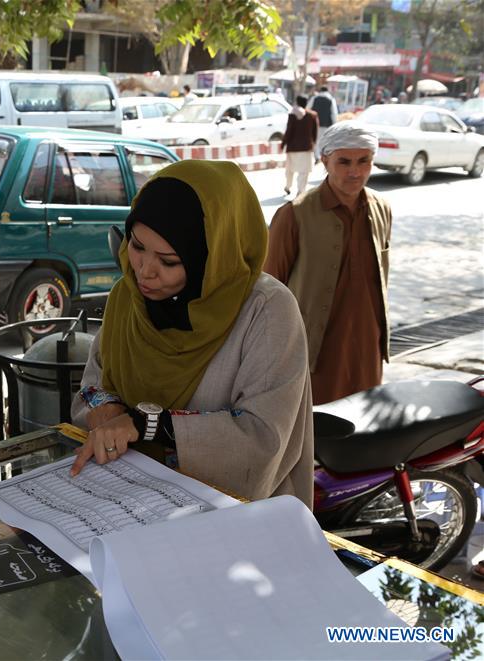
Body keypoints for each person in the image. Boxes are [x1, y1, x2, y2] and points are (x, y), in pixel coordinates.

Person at [69, 161, 313, 507]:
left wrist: (147, 425)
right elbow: (92, 387)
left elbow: (262, 438)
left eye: (168, 261)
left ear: (210, 257)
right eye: (137, 247)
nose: (144, 271)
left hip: (233, 518)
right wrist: (105, 410)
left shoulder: (265, 309)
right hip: (129, 502)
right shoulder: (128, 297)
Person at [264, 122, 392, 405]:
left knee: (365, 425)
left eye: (364, 161)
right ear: (325, 160)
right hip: (314, 349)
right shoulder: (294, 215)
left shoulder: (381, 208)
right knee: (317, 429)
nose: (355, 172)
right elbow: (268, 289)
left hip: (367, 347)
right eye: (344, 162)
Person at [282, 95, 319, 197]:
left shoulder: (292, 115)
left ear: (297, 102)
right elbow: (315, 133)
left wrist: (283, 143)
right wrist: (314, 144)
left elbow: (288, 131)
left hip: (292, 147)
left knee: (290, 169)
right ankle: (300, 191)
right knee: (304, 171)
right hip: (306, 147)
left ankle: (288, 186)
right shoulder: (312, 115)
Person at [307, 86, 338, 160]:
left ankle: (316, 156)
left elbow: (307, 108)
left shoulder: (314, 98)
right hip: (326, 124)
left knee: (316, 140)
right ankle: (323, 156)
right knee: (325, 140)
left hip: (315, 124)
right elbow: (334, 113)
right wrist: (334, 124)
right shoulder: (331, 99)